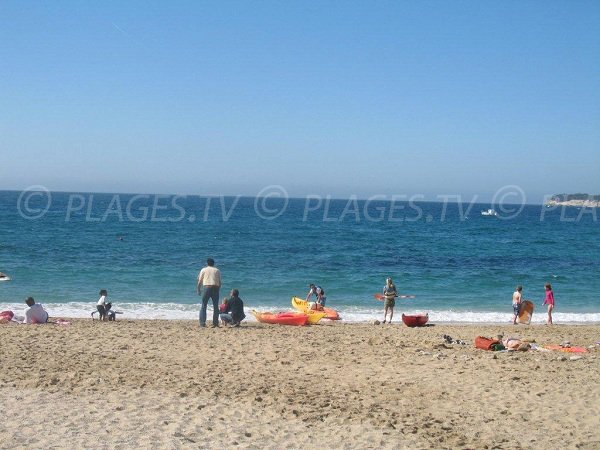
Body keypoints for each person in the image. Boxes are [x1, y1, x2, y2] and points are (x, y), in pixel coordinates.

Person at [197, 258, 221, 328]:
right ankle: (215, 323)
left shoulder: (204, 269)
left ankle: (202, 323)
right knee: (216, 306)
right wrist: (218, 290)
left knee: (204, 305)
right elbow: (220, 282)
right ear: (213, 263)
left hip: (207, 287)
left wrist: (198, 289)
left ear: (207, 263)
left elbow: (199, 281)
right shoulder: (217, 270)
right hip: (215, 287)